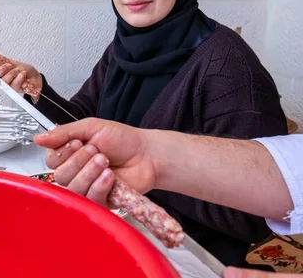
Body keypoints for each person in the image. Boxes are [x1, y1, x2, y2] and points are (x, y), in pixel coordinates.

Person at [0, 0, 288, 266]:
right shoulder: (124, 48)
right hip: (115, 232)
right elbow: (82, 121)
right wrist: (38, 90)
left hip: (186, 256)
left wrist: (146, 171)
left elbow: (254, 216)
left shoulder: (226, 66)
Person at [33, 118, 302, 278]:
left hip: (204, 255)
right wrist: (148, 155)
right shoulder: (118, 52)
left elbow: (249, 223)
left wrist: (158, 184)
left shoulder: (226, 64)